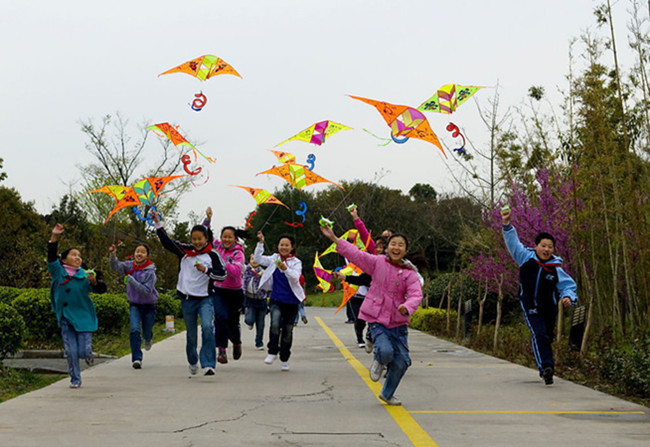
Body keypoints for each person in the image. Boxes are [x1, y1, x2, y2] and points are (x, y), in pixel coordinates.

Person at [320, 225, 423, 406]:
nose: (396, 248)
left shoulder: (409, 272)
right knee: (385, 351)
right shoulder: (377, 262)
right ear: (387, 247)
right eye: (393, 244)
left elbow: (416, 294)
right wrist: (335, 239)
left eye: (401, 245)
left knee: (402, 362)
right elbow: (356, 255)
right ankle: (378, 359)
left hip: (398, 324)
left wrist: (407, 307)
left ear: (405, 250)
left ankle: (387, 393)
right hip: (377, 319)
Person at [501, 207, 577, 385]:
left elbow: (568, 286)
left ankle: (546, 364)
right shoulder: (525, 258)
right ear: (535, 246)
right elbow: (513, 243)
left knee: (546, 337)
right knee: (539, 334)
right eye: (543, 245)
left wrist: (569, 298)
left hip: (549, 309)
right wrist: (506, 223)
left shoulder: (555, 267)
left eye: (550, 247)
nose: (546, 249)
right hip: (530, 305)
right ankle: (546, 368)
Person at [152, 211, 226, 376]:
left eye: (200, 239)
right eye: (194, 239)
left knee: (207, 327)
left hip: (205, 299)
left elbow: (222, 274)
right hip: (187, 299)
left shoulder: (212, 255)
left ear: (206, 239)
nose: (197, 242)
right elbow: (167, 242)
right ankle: (192, 361)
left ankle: (208, 363)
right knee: (191, 334)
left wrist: (206, 270)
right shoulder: (185, 251)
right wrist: (158, 223)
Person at [47, 223, 107, 388]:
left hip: (84, 318)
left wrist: (94, 282)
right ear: (64, 259)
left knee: (84, 352)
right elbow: (51, 257)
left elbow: (101, 289)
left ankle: (88, 356)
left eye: (79, 256)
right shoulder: (58, 272)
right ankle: (75, 379)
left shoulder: (86, 275)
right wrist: (54, 236)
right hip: (66, 317)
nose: (78, 258)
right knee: (71, 352)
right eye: (74, 255)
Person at [254, 231, 305, 372]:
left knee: (287, 331)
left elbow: (295, 278)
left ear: (292, 247)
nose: (284, 247)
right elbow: (257, 259)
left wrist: (285, 269)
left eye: (286, 245)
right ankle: (272, 352)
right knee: (275, 324)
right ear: (278, 246)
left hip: (292, 301)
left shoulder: (296, 262)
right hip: (276, 298)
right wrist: (260, 242)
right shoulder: (274, 259)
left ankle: (284, 358)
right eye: (281, 245)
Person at [203, 207, 247, 364]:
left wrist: (222, 262)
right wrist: (208, 219)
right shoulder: (218, 248)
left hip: (235, 293)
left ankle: (236, 343)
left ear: (235, 239)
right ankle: (221, 350)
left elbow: (236, 271)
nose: (226, 239)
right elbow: (205, 237)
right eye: (224, 237)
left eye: (230, 237)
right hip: (219, 290)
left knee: (233, 322)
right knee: (220, 318)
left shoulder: (238, 253)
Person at [109, 242, 158, 369]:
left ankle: (148, 338)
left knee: (147, 332)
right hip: (134, 304)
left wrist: (132, 281)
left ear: (147, 255)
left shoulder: (150, 272)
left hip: (149, 305)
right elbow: (116, 267)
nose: (139, 254)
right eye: (137, 251)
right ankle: (136, 358)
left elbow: (147, 291)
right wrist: (113, 255)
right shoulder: (129, 265)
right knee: (134, 329)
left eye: (142, 252)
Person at [333, 270, 371, 348]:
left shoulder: (369, 269)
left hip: (367, 298)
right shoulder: (351, 269)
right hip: (354, 298)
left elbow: (363, 280)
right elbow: (347, 276)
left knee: (366, 321)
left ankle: (368, 336)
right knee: (357, 318)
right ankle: (360, 338)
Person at [242, 253, 268, 350]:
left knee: (260, 324)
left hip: (261, 300)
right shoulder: (246, 270)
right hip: (249, 299)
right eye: (252, 259)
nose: (254, 261)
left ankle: (259, 343)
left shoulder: (263, 271)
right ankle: (250, 322)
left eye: (256, 259)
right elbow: (240, 265)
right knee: (249, 319)